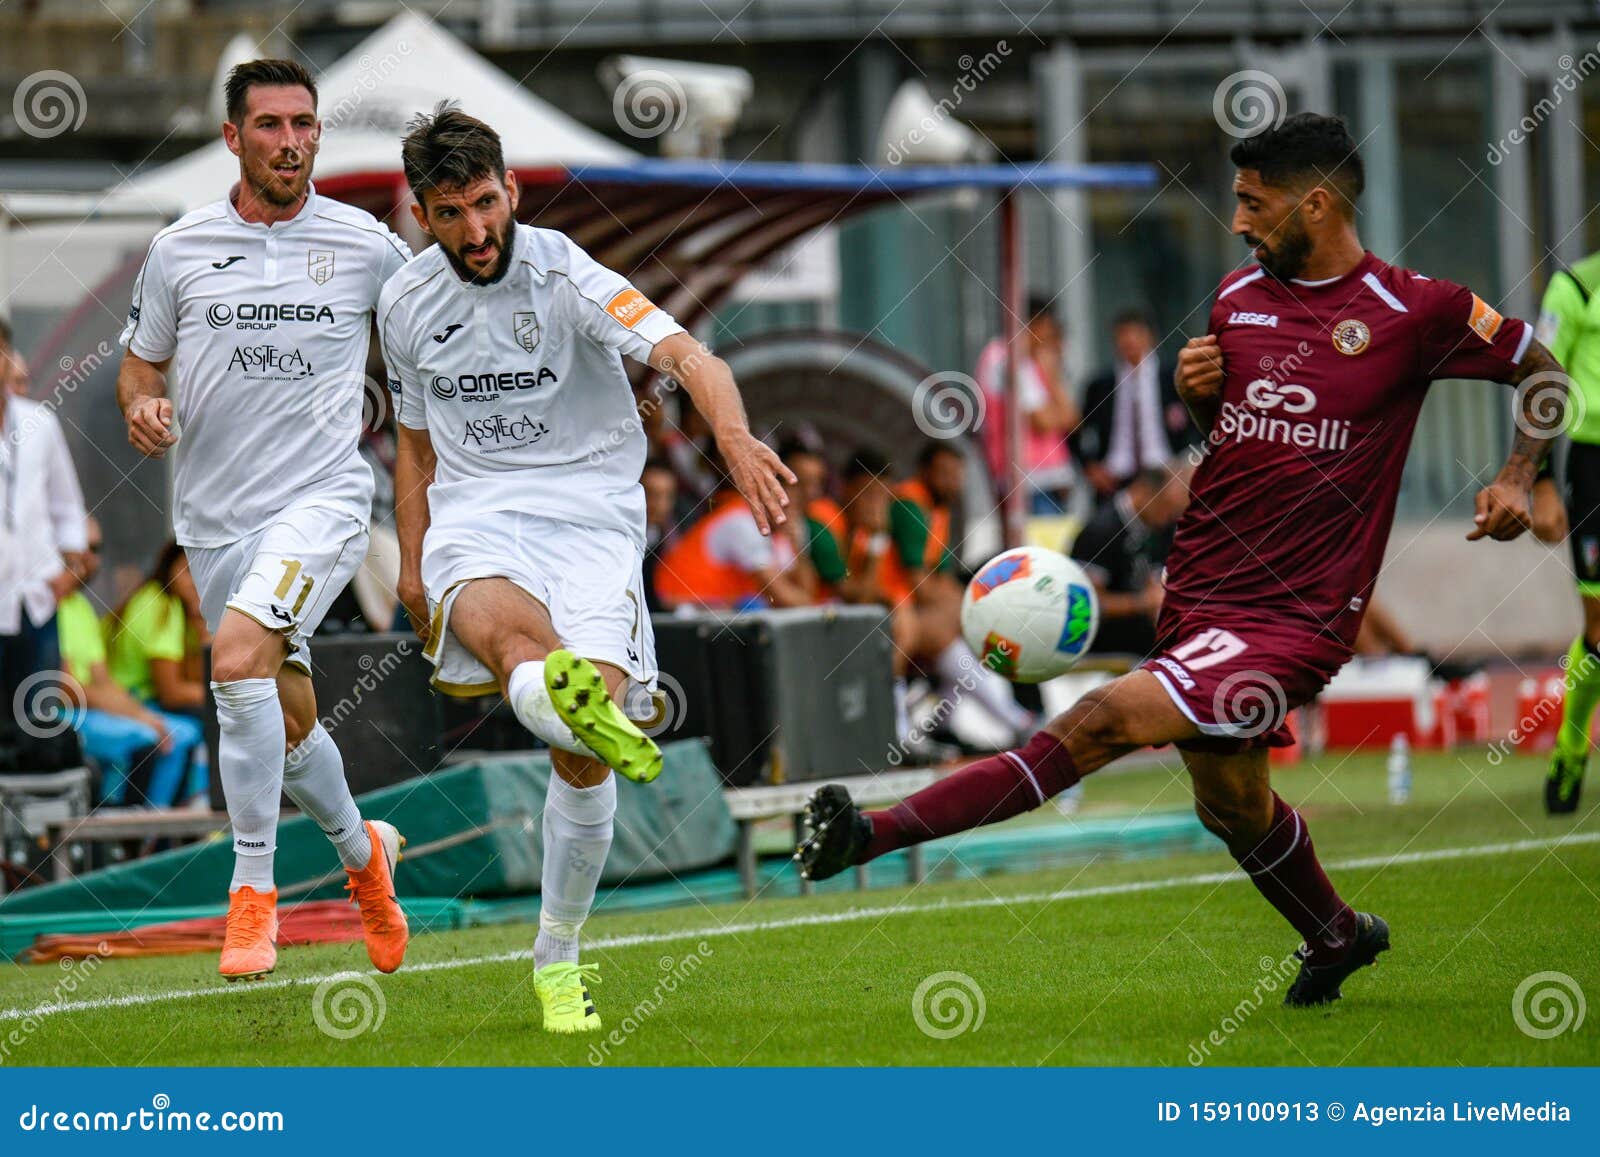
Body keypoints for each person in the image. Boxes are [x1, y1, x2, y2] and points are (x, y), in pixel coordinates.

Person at [799, 113, 1564, 1007]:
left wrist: (1517, 474)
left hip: (1294, 616)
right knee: (1230, 803)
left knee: (1103, 718)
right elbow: (1243, 447)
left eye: (1253, 202)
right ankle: (1336, 932)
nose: (1236, 221)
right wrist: (1196, 402)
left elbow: (1543, 373)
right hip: (1202, 597)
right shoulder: (1238, 301)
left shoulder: (1413, 310)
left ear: (1316, 204)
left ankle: (871, 830)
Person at [383, 104, 792, 1033]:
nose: (476, 231)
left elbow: (690, 356)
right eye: (450, 214)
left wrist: (732, 436)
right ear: (422, 214)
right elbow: (413, 444)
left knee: (577, 743)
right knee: (508, 634)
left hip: (594, 523)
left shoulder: (566, 272)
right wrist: (413, 568)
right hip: (478, 517)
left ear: (511, 190)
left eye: (487, 204)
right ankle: (549, 687)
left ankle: (555, 953)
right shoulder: (405, 303)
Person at [116, 59, 409, 981]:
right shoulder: (180, 247)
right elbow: (140, 367)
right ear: (233, 138)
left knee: (235, 658)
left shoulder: (364, 243)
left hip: (322, 502)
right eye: (273, 125)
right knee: (281, 716)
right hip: (211, 521)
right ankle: (366, 860)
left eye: (305, 124)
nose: (293, 141)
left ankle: (251, 895)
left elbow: (433, 342)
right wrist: (142, 406)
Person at [59, 520, 208, 807]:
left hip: (109, 705)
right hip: (64, 715)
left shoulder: (80, 607)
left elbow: (101, 681)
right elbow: (65, 688)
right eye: (79, 546)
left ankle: (158, 833)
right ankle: (133, 841)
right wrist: (141, 716)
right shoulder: (160, 605)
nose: (87, 557)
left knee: (178, 732)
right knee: (155, 737)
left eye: (95, 548)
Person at [0, 316, 89, 739]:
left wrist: (69, 570)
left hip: (36, 598)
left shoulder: (39, 422)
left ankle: (31, 803)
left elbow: (67, 506)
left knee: (36, 724)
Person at [1536, 253, 1600, 814]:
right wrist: (1540, 481)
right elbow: (1543, 378)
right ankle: (1572, 748)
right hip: (1594, 464)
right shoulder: (1577, 285)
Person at [1069, 461, 1192, 657]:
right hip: (1106, 638)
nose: (1169, 518)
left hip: (1145, 629)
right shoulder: (1101, 531)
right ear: (1143, 491)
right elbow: (1085, 606)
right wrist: (1142, 603)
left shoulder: (1159, 526)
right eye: (1166, 509)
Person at [974, 295, 1081, 513]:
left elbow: (1073, 418)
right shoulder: (1007, 357)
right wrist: (1051, 378)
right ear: (1037, 324)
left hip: (1046, 480)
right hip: (1029, 482)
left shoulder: (1030, 359)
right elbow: (1041, 420)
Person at [1076, 307, 1198, 498]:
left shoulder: (1173, 377)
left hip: (1166, 474)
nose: (1129, 341)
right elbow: (1077, 428)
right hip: (1116, 478)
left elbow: (1198, 425)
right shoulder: (1101, 385)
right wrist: (1090, 468)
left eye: (1136, 333)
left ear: (1151, 337)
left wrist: (1186, 465)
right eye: (1123, 334)